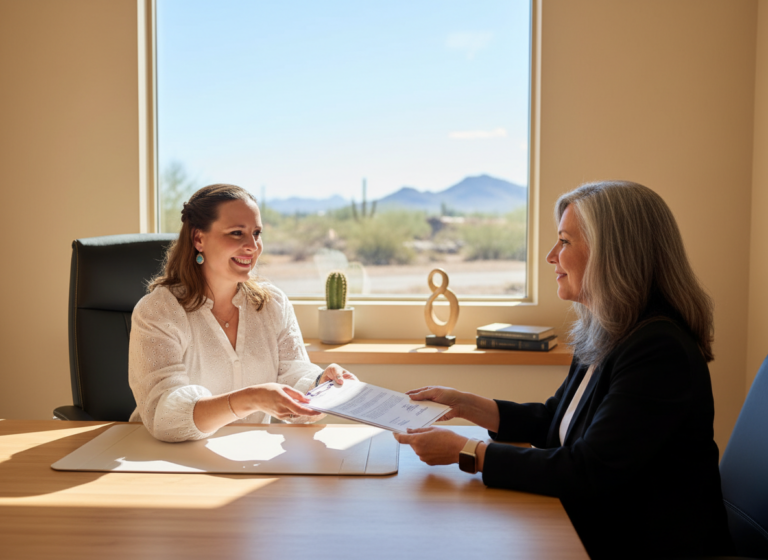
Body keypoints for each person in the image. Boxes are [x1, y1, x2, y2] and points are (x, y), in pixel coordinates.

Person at [394, 181, 733, 558]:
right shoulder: (608, 326)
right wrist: (468, 405)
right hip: (598, 527)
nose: (551, 256)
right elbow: (555, 420)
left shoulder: (658, 350)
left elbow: (588, 470)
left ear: (613, 254)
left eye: (565, 242)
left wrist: (466, 451)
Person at [129, 183, 356, 443]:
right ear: (198, 239)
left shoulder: (273, 303)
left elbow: (293, 375)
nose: (253, 246)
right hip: (159, 464)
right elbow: (164, 417)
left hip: (250, 456)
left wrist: (320, 385)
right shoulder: (158, 311)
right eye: (237, 233)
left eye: (256, 233)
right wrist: (250, 399)